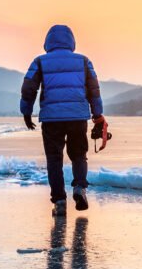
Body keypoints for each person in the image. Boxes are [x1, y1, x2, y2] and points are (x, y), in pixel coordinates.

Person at [20, 24, 106, 217]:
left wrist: (26, 112)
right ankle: (79, 189)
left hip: (52, 119)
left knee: (54, 159)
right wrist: (97, 114)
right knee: (78, 155)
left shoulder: (40, 61)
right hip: (77, 116)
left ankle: (59, 201)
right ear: (71, 42)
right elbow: (94, 89)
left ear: (47, 42)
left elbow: (28, 88)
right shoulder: (83, 61)